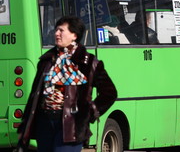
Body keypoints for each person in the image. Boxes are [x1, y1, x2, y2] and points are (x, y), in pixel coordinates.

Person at [17, 16, 117, 152]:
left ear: (74, 35)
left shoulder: (88, 63)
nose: (56, 34)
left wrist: (89, 112)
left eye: (61, 30)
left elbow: (109, 93)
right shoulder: (47, 60)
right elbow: (35, 95)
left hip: (71, 127)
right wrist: (25, 126)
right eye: (56, 30)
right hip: (44, 124)